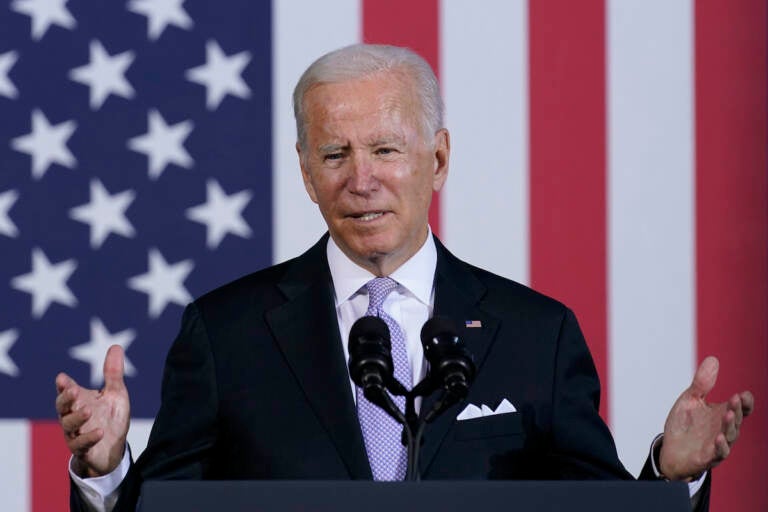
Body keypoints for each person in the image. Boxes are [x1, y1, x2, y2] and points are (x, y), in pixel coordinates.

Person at [55, 44, 753, 512]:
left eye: (386, 149)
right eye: (335, 154)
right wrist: (110, 468)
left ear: (438, 160)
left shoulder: (535, 334)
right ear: (304, 170)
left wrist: (671, 477)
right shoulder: (225, 332)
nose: (362, 180)